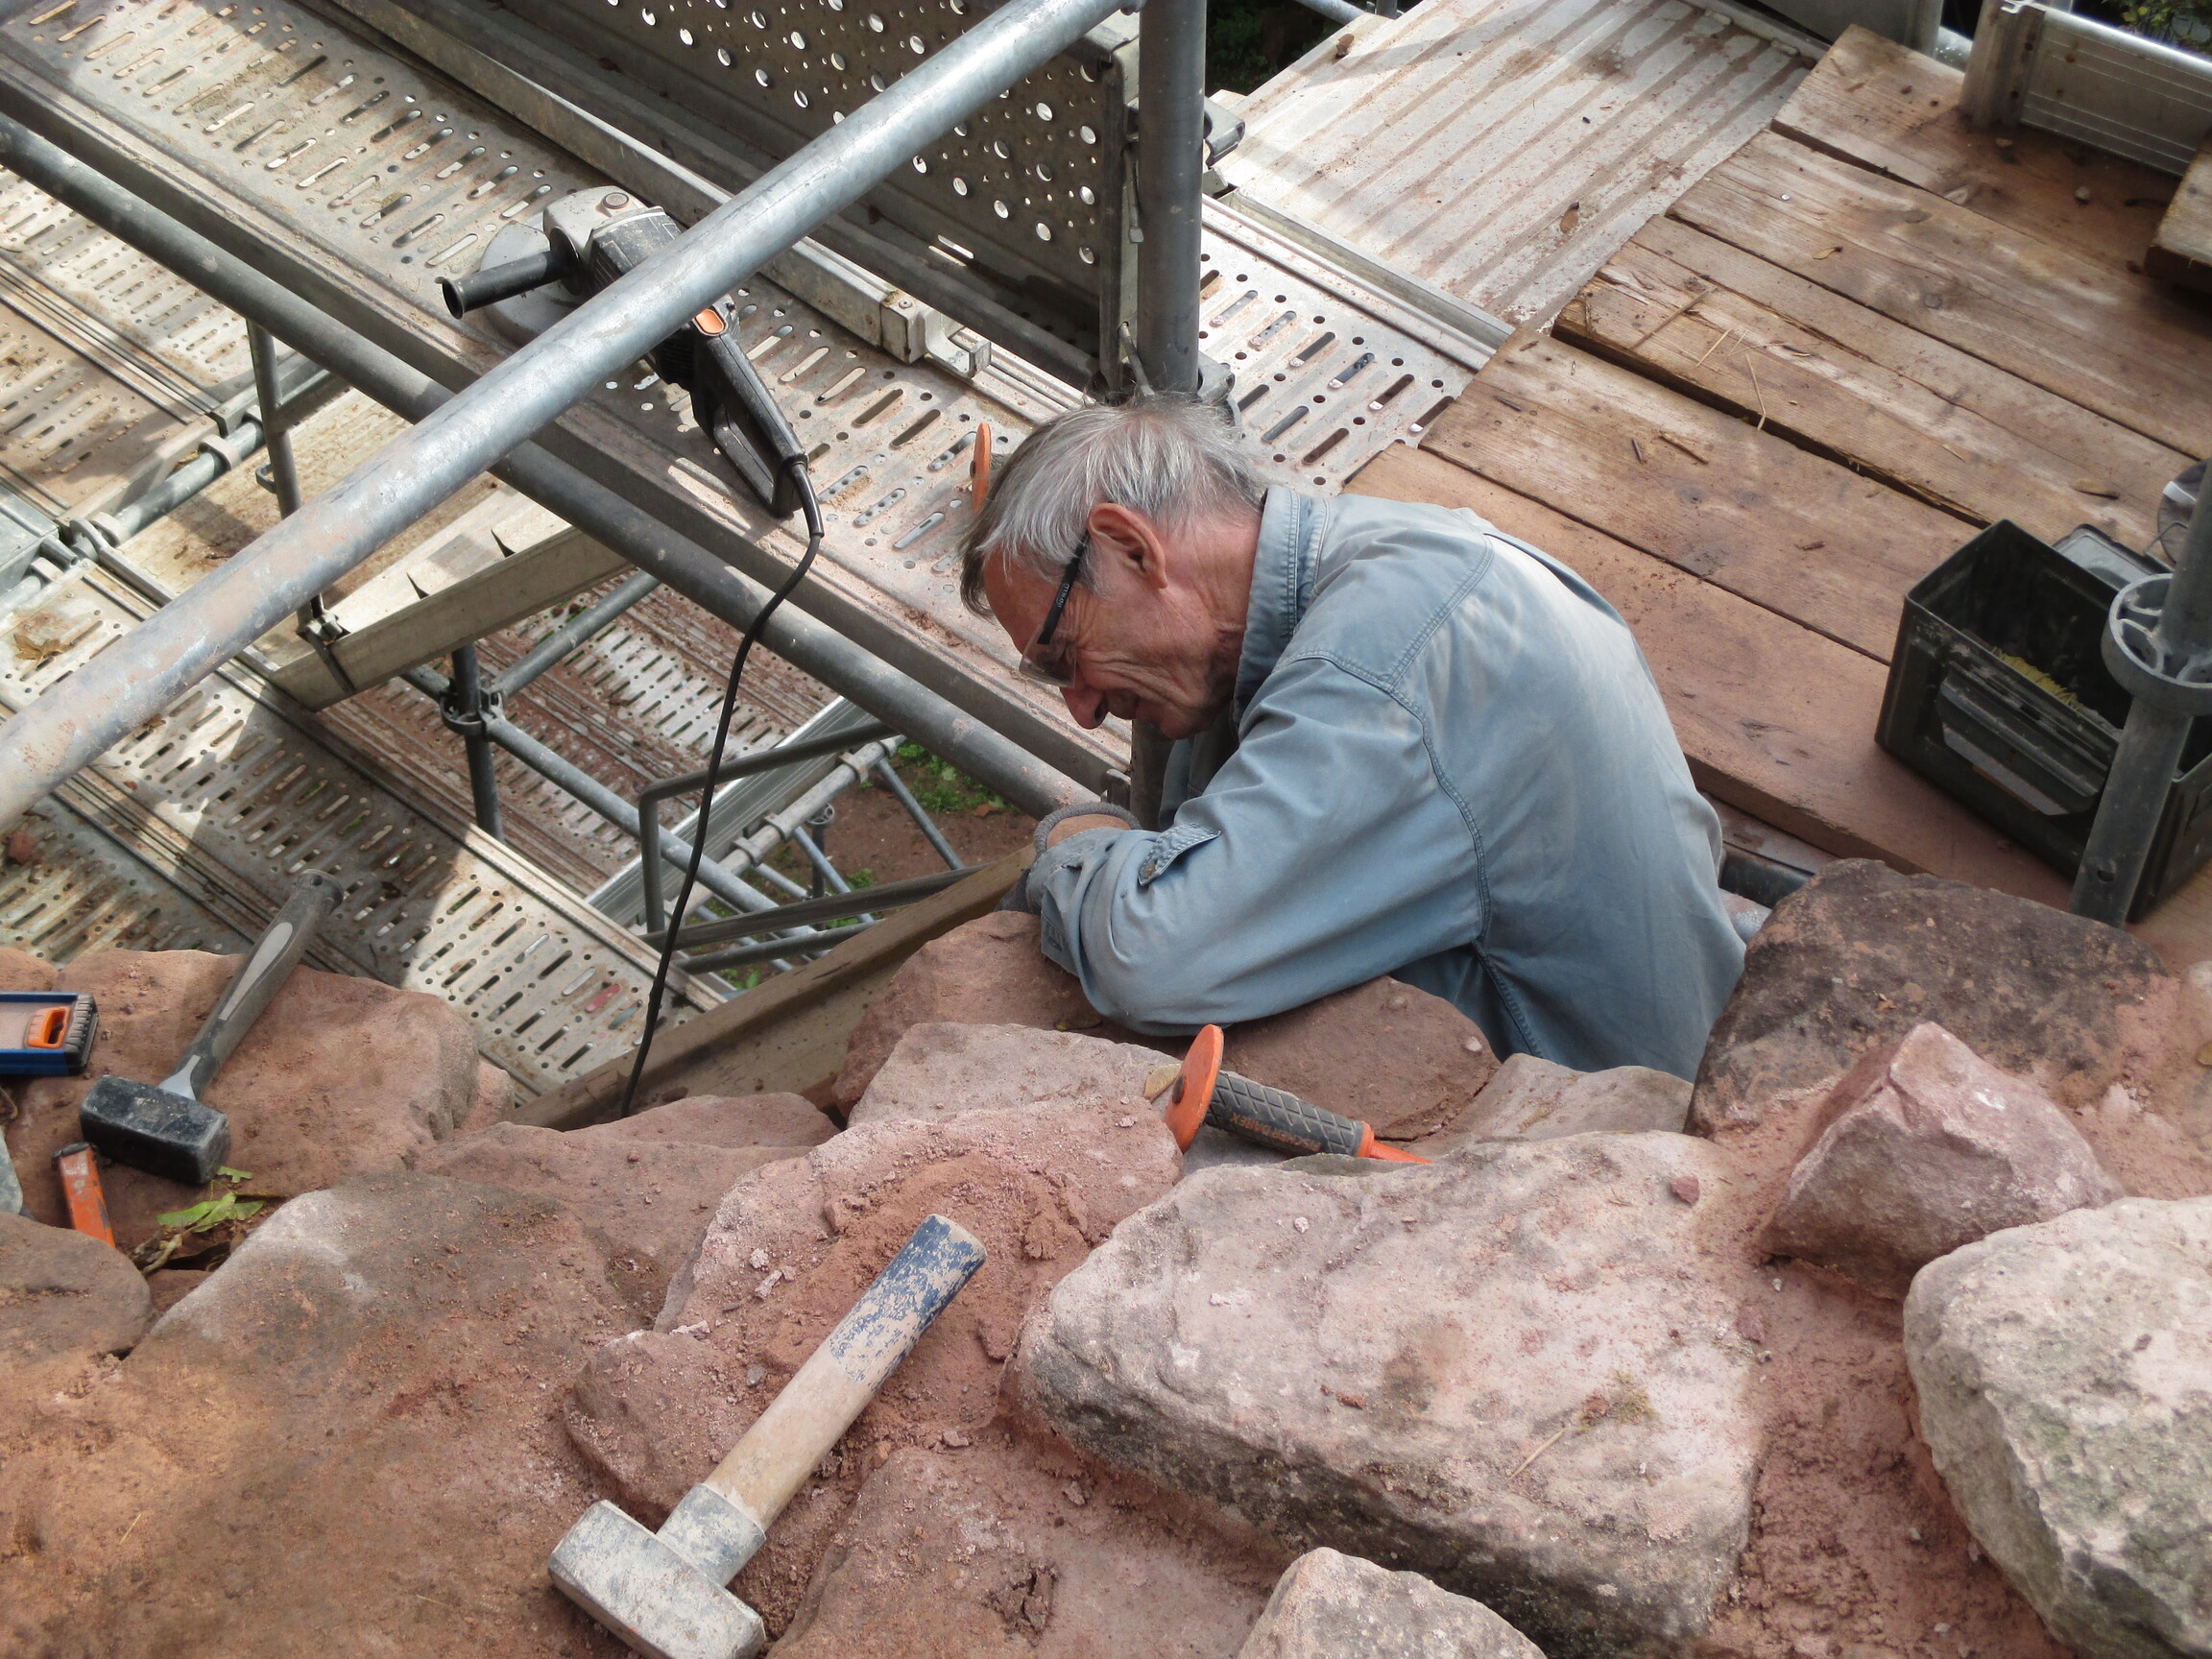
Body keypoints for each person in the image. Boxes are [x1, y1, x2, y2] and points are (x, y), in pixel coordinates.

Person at [960, 395, 1743, 1080]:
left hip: (1618, 1135)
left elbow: (1153, 956)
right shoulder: (1389, 560)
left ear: (1132, 547)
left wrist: (1073, 847)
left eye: (1064, 657)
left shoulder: (1380, 659)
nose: (1082, 710)